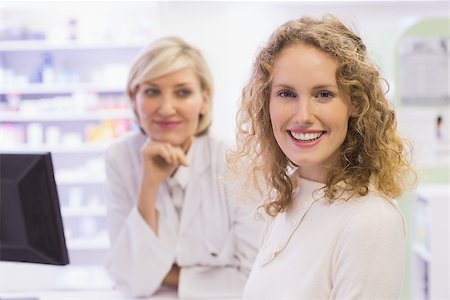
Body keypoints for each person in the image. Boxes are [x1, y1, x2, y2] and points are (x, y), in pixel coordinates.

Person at [228, 15, 416, 299]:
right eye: (287, 93)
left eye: (324, 94)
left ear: (355, 103)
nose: (303, 116)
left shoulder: (370, 221)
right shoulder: (287, 200)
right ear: (267, 103)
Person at [104, 36, 259, 298]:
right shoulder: (120, 158)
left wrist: (163, 273)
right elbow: (128, 279)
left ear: (204, 99)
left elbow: (253, 278)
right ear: (133, 99)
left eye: (182, 92)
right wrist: (148, 186)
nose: (166, 109)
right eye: (152, 91)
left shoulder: (236, 159)